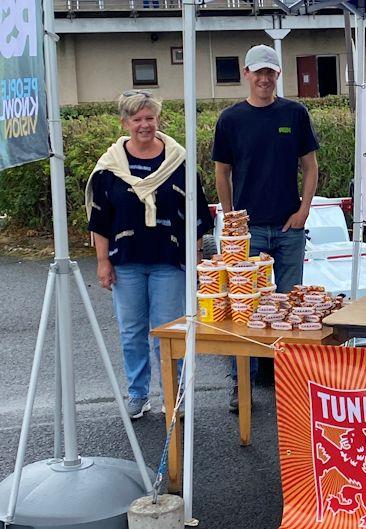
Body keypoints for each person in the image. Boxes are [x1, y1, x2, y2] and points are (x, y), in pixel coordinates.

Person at [85, 90, 214, 419]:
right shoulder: (109, 168)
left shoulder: (179, 162)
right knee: (131, 332)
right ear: (124, 122)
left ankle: (175, 394)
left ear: (158, 120)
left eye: (149, 118)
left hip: (169, 261)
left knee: (169, 332)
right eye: (137, 119)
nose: (144, 125)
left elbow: (197, 213)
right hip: (125, 261)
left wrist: (197, 257)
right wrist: (103, 262)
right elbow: (100, 220)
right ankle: (137, 393)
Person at [213, 44, 320, 411]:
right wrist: (231, 219)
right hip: (249, 231)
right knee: (243, 310)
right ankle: (239, 384)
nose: (263, 78)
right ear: (246, 73)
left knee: (291, 307)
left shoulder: (295, 112)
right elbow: (222, 172)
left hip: (289, 227)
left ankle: (286, 381)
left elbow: (310, 166)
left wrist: (304, 210)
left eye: (269, 72)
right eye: (257, 72)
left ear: (278, 75)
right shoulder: (230, 119)